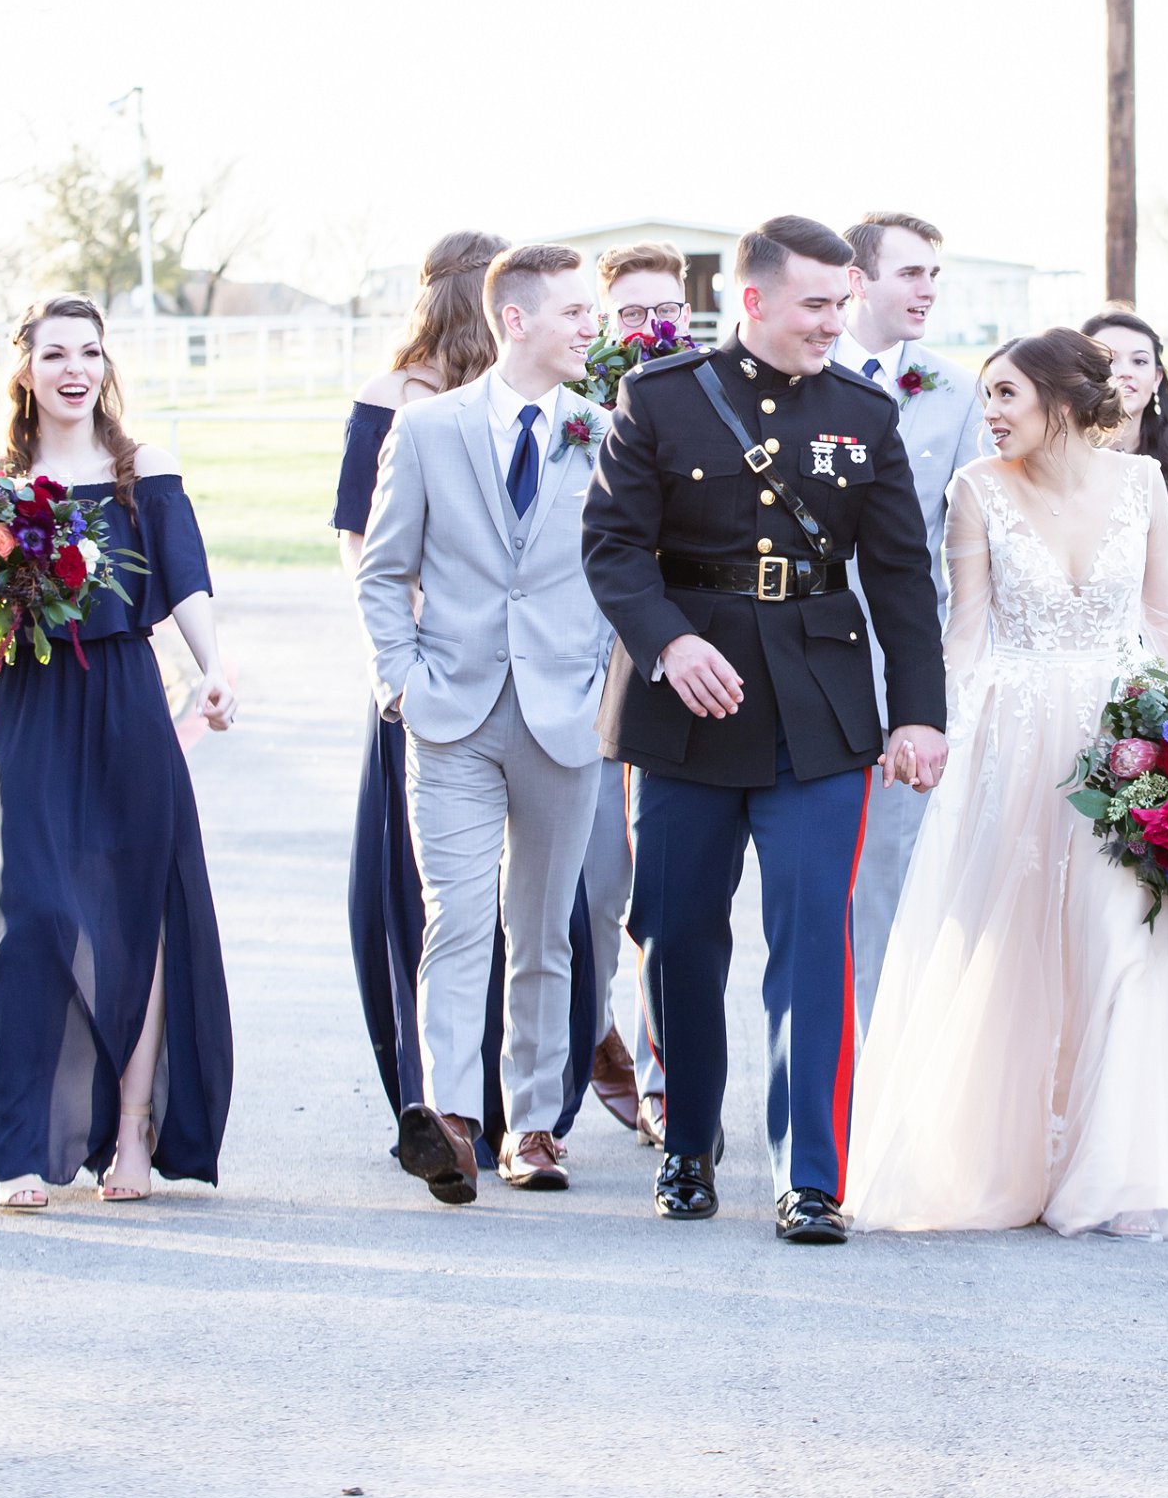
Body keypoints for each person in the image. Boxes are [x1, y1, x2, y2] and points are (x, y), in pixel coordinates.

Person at [847, 331, 1168, 1240]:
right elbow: (966, 630)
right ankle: (1016, 1155)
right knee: (1016, 941)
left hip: (1128, 735)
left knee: (1125, 938)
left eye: (1006, 394)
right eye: (987, 395)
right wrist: (933, 733)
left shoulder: (1142, 482)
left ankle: (1122, 1165)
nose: (990, 413)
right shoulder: (976, 489)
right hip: (1016, 740)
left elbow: (1165, 616)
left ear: (1059, 401)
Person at [580, 214, 947, 1244]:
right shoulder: (660, 397)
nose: (835, 321)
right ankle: (688, 1145)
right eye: (816, 304)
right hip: (685, 711)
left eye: (841, 302)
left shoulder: (864, 412)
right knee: (678, 936)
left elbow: (902, 577)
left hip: (819, 716)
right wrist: (666, 642)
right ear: (753, 300)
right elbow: (612, 546)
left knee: (813, 941)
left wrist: (919, 712)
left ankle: (810, 1174)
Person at [353, 245, 616, 1201]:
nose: (591, 327)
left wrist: (602, 686)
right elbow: (382, 571)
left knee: (542, 929)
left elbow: (627, 572)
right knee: (456, 919)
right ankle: (454, 1122)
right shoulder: (427, 430)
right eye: (575, 312)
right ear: (516, 319)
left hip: (564, 717)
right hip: (450, 715)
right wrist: (401, 685)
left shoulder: (606, 433)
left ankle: (533, 1125)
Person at [0, 295, 237, 1211]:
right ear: (26, 370)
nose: (74, 369)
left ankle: (132, 1129)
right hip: (34, 704)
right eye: (55, 354)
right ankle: (16, 1146)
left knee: (138, 911)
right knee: (35, 912)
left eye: (89, 352)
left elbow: (186, 578)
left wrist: (213, 668)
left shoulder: (142, 469)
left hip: (127, 697)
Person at [834, 212, 989, 1023]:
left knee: (889, 874)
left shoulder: (958, 391)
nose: (928, 289)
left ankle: (876, 1059)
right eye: (910, 273)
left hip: (901, 672)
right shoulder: (799, 369)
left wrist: (944, 684)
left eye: (933, 274)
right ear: (856, 280)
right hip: (791, 663)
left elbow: (968, 549)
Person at [579, 239, 694, 1138]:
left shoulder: (713, 395)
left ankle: (662, 1073)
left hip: (665, 671)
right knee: (588, 897)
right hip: (573, 673)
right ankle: (591, 1037)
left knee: (663, 894)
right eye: (631, 312)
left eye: (667, 310)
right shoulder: (574, 407)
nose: (651, 326)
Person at [1081, 308, 1168, 509]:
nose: (1125, 372)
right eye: (1108, 361)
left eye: (1139, 361)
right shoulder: (1056, 460)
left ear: (1157, 378)